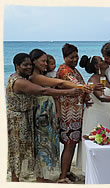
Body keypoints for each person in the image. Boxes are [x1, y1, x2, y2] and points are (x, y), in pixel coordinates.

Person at [6, 53, 81, 182]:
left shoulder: (21, 77)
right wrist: (68, 92)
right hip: (17, 121)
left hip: (26, 117)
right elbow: (43, 91)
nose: (28, 67)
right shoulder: (19, 81)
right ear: (17, 66)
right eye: (25, 65)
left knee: (27, 150)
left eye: (30, 64)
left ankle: (33, 179)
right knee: (18, 152)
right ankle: (15, 181)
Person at [29, 48, 91, 183]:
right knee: (48, 145)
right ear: (34, 62)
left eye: (47, 61)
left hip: (54, 112)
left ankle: (63, 173)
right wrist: (79, 88)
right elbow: (59, 84)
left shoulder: (49, 74)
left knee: (56, 144)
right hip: (47, 114)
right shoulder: (36, 77)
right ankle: (55, 177)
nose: (46, 64)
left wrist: (81, 90)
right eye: (43, 61)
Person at [76, 55, 110, 176]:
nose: (105, 61)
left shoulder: (106, 76)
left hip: (106, 114)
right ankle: (90, 172)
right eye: (102, 60)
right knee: (94, 141)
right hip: (95, 114)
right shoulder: (93, 79)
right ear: (97, 66)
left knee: (104, 141)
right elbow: (101, 97)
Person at [56, 43, 93, 183]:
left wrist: (86, 98)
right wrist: (86, 88)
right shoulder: (64, 70)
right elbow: (76, 84)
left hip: (76, 112)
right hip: (68, 113)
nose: (74, 59)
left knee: (72, 143)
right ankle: (62, 176)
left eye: (76, 56)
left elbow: (81, 89)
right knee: (69, 144)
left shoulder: (74, 69)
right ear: (64, 57)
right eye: (71, 57)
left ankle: (67, 171)